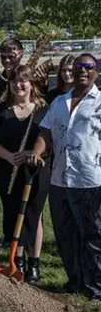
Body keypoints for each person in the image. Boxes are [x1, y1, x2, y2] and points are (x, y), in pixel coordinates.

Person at [29, 53, 101, 298]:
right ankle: (75, 282)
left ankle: (96, 287)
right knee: (64, 234)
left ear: (96, 72)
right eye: (78, 66)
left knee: (93, 235)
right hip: (59, 179)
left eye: (88, 67)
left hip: (90, 180)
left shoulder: (100, 102)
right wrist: (37, 152)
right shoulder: (59, 101)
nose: (82, 70)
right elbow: (46, 132)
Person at [0, 65, 49, 283]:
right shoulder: (2, 110)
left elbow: (50, 139)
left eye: (23, 81)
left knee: (34, 214)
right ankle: (18, 260)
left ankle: (34, 263)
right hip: (8, 168)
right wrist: (9, 156)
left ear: (32, 84)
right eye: (14, 81)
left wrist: (35, 154)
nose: (19, 85)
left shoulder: (43, 109)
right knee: (14, 213)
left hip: (35, 170)